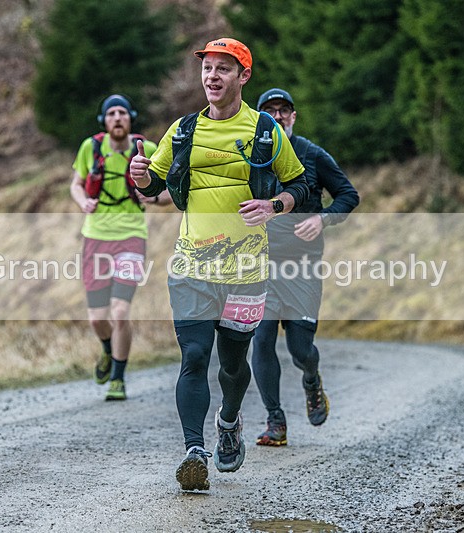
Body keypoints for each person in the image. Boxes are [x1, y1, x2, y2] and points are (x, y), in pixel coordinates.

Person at [129, 39, 309, 491]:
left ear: (243, 76)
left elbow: (300, 184)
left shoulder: (267, 130)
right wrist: (142, 175)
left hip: (247, 269)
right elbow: (154, 181)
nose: (212, 76)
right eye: (207, 68)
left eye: (223, 69)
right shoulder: (185, 129)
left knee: (233, 365)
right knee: (193, 357)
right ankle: (194, 449)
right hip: (192, 264)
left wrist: (276, 205)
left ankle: (228, 422)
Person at [251, 88, 359, 446]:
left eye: (284, 111)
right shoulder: (251, 156)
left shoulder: (312, 154)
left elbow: (348, 195)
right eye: (270, 111)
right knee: (261, 341)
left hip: (302, 266)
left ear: (293, 117)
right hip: (260, 264)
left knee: (301, 351)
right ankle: (275, 421)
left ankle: (312, 380)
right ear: (260, 117)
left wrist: (322, 219)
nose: (278, 116)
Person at [70, 94, 169, 401]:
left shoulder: (147, 150)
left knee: (121, 311)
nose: (117, 118)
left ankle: (118, 378)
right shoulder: (91, 147)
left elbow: (171, 190)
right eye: (111, 113)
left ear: (130, 119)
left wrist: (153, 198)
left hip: (131, 238)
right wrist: (82, 200)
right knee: (97, 319)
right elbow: (76, 183)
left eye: (122, 113)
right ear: (104, 121)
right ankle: (107, 351)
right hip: (95, 237)